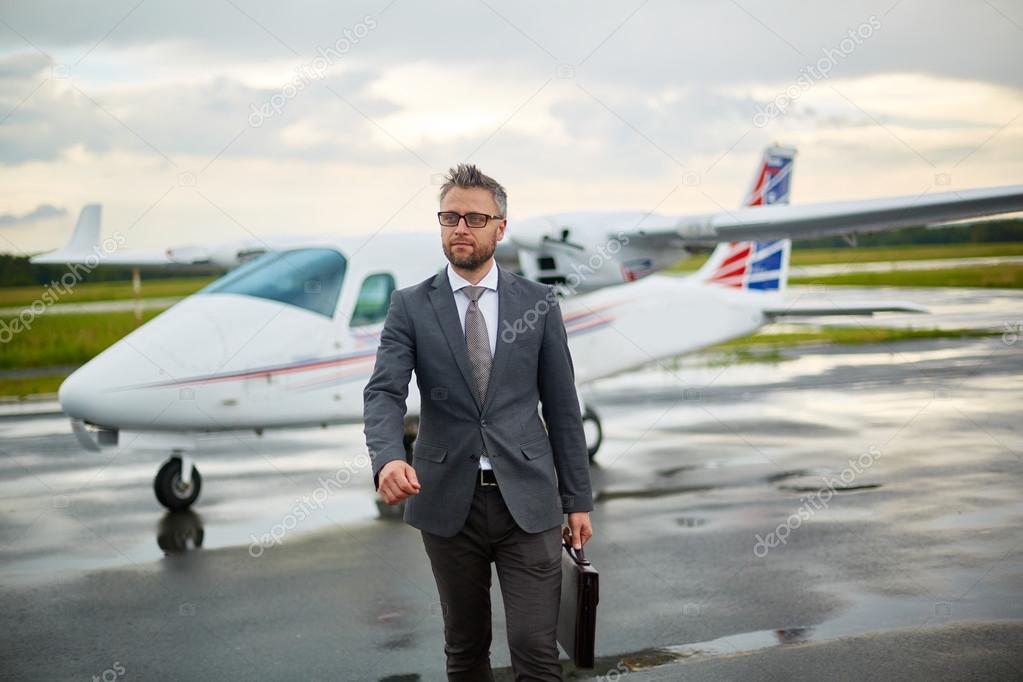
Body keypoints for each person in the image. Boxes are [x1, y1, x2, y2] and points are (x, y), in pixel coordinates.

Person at [363, 163, 594, 680]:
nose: (460, 228)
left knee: (536, 651)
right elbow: (383, 392)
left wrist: (577, 500)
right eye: (449, 217)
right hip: (448, 503)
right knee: (465, 648)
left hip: (529, 503)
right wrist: (387, 459)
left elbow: (562, 407)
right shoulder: (409, 306)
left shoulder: (538, 303)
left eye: (473, 217)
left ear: (500, 227)